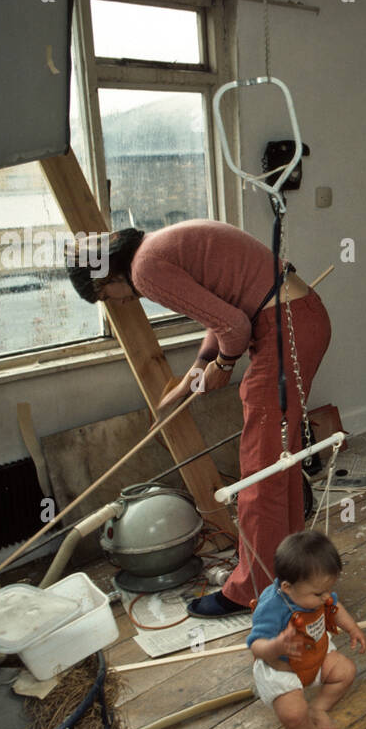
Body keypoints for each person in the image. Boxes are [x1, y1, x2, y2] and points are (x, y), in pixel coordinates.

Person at [67, 219, 330, 618]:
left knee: (260, 471)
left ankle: (251, 592)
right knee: (281, 459)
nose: (119, 302)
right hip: (299, 317)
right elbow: (221, 315)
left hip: (283, 325)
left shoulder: (145, 270)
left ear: (111, 273)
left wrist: (223, 366)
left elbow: (235, 326)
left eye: (106, 295)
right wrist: (196, 373)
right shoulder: (157, 247)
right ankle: (287, 571)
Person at [247, 530, 366, 729]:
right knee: (292, 715)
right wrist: (274, 646)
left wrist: (352, 628)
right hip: (283, 668)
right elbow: (256, 646)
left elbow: (334, 605)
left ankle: (319, 707)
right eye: (318, 593)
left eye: (328, 589)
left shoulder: (317, 592)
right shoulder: (272, 606)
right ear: (288, 587)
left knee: (346, 671)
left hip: (316, 654)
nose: (325, 597)